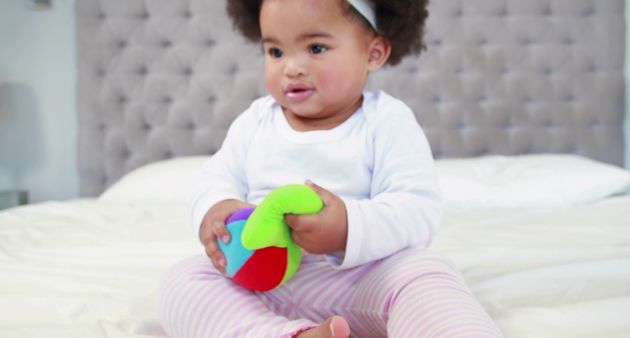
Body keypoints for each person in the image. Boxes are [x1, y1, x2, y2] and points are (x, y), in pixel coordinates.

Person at [159, 0, 503, 337]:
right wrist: (215, 209)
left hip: (361, 281)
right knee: (185, 280)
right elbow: (215, 179)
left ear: (374, 53)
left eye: (316, 48)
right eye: (276, 52)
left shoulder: (386, 121)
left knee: (426, 274)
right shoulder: (255, 122)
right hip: (263, 281)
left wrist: (346, 228)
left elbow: (417, 209)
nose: (291, 68)